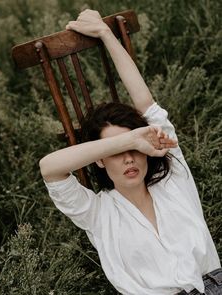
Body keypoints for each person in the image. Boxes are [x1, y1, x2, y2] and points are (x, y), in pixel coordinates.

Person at [39, 9, 221, 295]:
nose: (128, 158)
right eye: (117, 150)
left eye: (135, 148)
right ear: (99, 158)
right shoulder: (98, 212)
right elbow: (50, 168)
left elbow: (145, 102)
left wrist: (105, 34)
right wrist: (130, 140)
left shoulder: (174, 180)